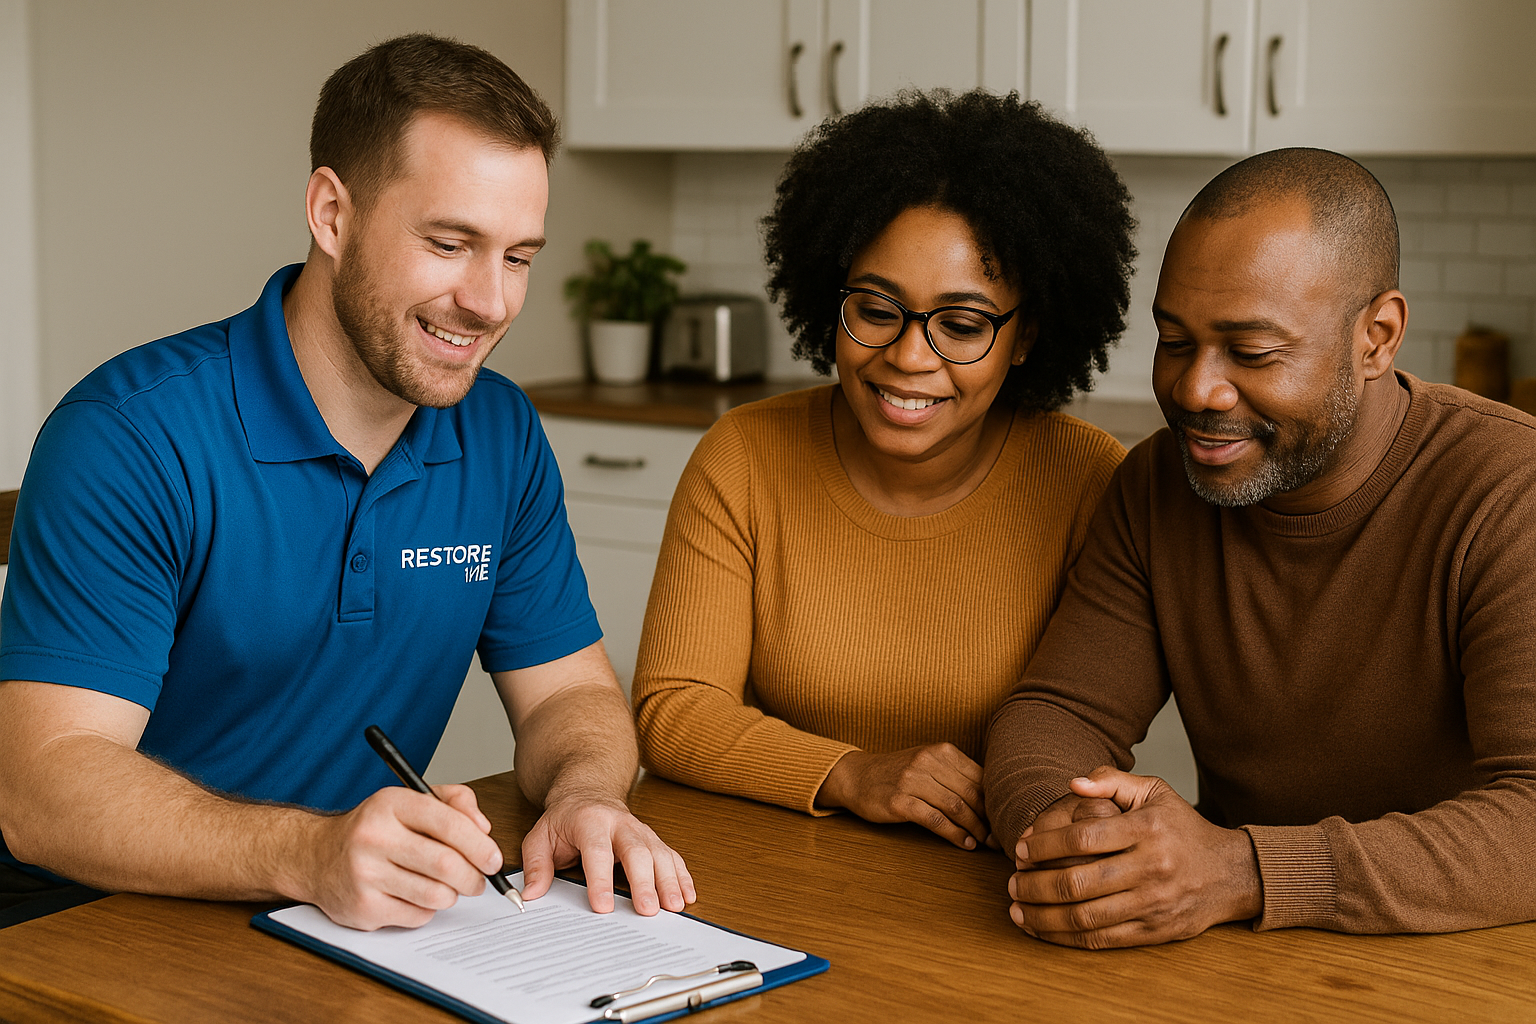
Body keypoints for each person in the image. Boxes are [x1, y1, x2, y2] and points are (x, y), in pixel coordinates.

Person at [0, 34, 693, 931]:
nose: (491, 302)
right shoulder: (130, 437)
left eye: (519, 257)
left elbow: (569, 695)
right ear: (331, 213)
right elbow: (43, 791)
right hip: (84, 930)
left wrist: (587, 795)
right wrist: (311, 853)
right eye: (450, 243)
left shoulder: (500, 431)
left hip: (329, 926)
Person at [984, 148, 1536, 948]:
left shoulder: (1509, 489)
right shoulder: (1157, 482)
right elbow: (1058, 711)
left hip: (1463, 958)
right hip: (1242, 955)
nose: (1196, 391)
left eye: (1253, 352)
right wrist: (1071, 838)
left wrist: (1246, 871)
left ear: (1377, 338)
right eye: (1174, 341)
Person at [631, 90, 1136, 849]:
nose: (907, 357)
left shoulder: (1088, 480)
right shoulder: (743, 456)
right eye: (875, 309)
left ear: (1025, 335)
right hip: (776, 856)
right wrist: (851, 773)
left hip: (991, 879)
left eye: (962, 326)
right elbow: (673, 708)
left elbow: (1090, 733)